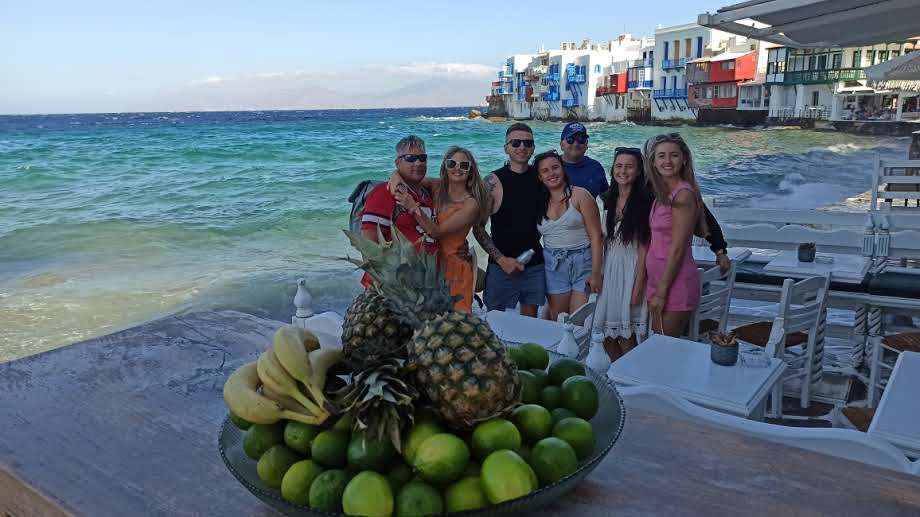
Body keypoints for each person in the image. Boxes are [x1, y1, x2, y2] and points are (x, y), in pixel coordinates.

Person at [393, 146, 490, 312]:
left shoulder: (471, 204)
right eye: (452, 163)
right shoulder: (436, 187)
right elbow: (405, 177)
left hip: (455, 268)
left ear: (471, 171)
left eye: (464, 165)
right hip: (430, 265)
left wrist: (413, 207)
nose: (457, 168)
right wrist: (394, 176)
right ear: (445, 167)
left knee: (454, 324)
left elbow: (436, 232)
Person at [473, 123, 546, 317]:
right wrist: (501, 260)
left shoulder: (542, 177)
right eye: (515, 143)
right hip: (500, 268)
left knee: (531, 325)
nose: (522, 147)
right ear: (506, 147)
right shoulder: (492, 182)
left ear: (533, 148)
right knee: (495, 324)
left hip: (535, 265)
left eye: (527, 143)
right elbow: (478, 228)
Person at [644, 133, 708, 337]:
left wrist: (662, 292)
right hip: (658, 280)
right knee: (658, 347)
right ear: (653, 162)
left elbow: (678, 249)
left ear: (684, 159)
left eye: (674, 155)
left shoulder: (684, 195)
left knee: (664, 351)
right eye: (661, 156)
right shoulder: (662, 194)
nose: (667, 161)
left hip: (674, 285)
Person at [592, 147, 652, 360]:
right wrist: (596, 272)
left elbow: (646, 246)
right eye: (619, 166)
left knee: (627, 336)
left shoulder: (646, 202)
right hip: (610, 269)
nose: (623, 171)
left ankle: (631, 380)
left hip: (632, 269)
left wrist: (638, 285)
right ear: (612, 169)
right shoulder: (609, 198)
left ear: (638, 171)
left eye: (629, 167)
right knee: (606, 336)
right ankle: (617, 376)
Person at [533, 150, 604, 321]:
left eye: (555, 167)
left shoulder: (580, 195)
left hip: (583, 261)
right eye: (545, 170)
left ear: (563, 169)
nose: (552, 173)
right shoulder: (537, 201)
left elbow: (596, 236)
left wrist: (596, 272)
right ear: (539, 177)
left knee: (578, 319)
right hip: (553, 264)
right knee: (559, 317)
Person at [360, 135, 437, 285]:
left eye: (422, 157)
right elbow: (368, 246)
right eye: (410, 158)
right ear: (397, 163)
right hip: (394, 288)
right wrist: (380, 285)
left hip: (425, 286)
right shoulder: (384, 193)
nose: (418, 163)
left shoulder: (428, 194)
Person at [558, 122, 609, 199]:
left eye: (581, 139)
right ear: (561, 145)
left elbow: (606, 199)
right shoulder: (551, 167)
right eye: (570, 139)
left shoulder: (595, 167)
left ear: (586, 145)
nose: (576, 144)